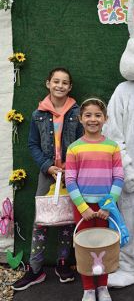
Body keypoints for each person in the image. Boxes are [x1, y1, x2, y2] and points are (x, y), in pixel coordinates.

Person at [12, 67, 84, 291]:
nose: (60, 86)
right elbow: (33, 144)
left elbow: (83, 142)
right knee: (41, 221)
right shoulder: (38, 114)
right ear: (48, 84)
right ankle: (35, 269)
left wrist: (70, 169)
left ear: (70, 87)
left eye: (64, 82)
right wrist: (47, 166)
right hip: (48, 174)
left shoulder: (77, 111)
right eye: (56, 81)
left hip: (71, 174)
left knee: (67, 220)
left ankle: (63, 263)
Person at [65, 98, 124, 301]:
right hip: (83, 208)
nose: (93, 119)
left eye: (98, 115)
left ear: (105, 119)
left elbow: (119, 177)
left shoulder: (112, 147)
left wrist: (108, 206)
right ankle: (89, 288)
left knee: (105, 246)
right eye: (88, 115)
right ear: (80, 119)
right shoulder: (74, 148)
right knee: (85, 247)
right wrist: (83, 208)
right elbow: (70, 180)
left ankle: (103, 287)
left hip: (106, 207)